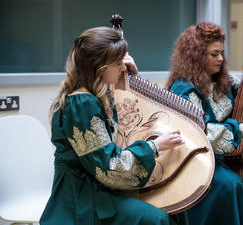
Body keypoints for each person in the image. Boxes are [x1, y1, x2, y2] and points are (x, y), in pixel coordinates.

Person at [40, 26, 187, 225]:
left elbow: (125, 121)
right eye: (118, 63)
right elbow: (110, 169)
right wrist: (155, 146)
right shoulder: (82, 104)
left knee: (176, 206)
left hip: (95, 185)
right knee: (158, 218)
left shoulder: (92, 98)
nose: (123, 68)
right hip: (82, 197)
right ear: (99, 66)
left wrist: (133, 79)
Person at [166, 21, 243, 225]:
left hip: (225, 154)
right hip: (198, 160)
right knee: (231, 183)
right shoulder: (183, 89)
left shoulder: (223, 80)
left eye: (221, 53)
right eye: (214, 54)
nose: (220, 59)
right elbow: (201, 134)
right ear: (196, 55)